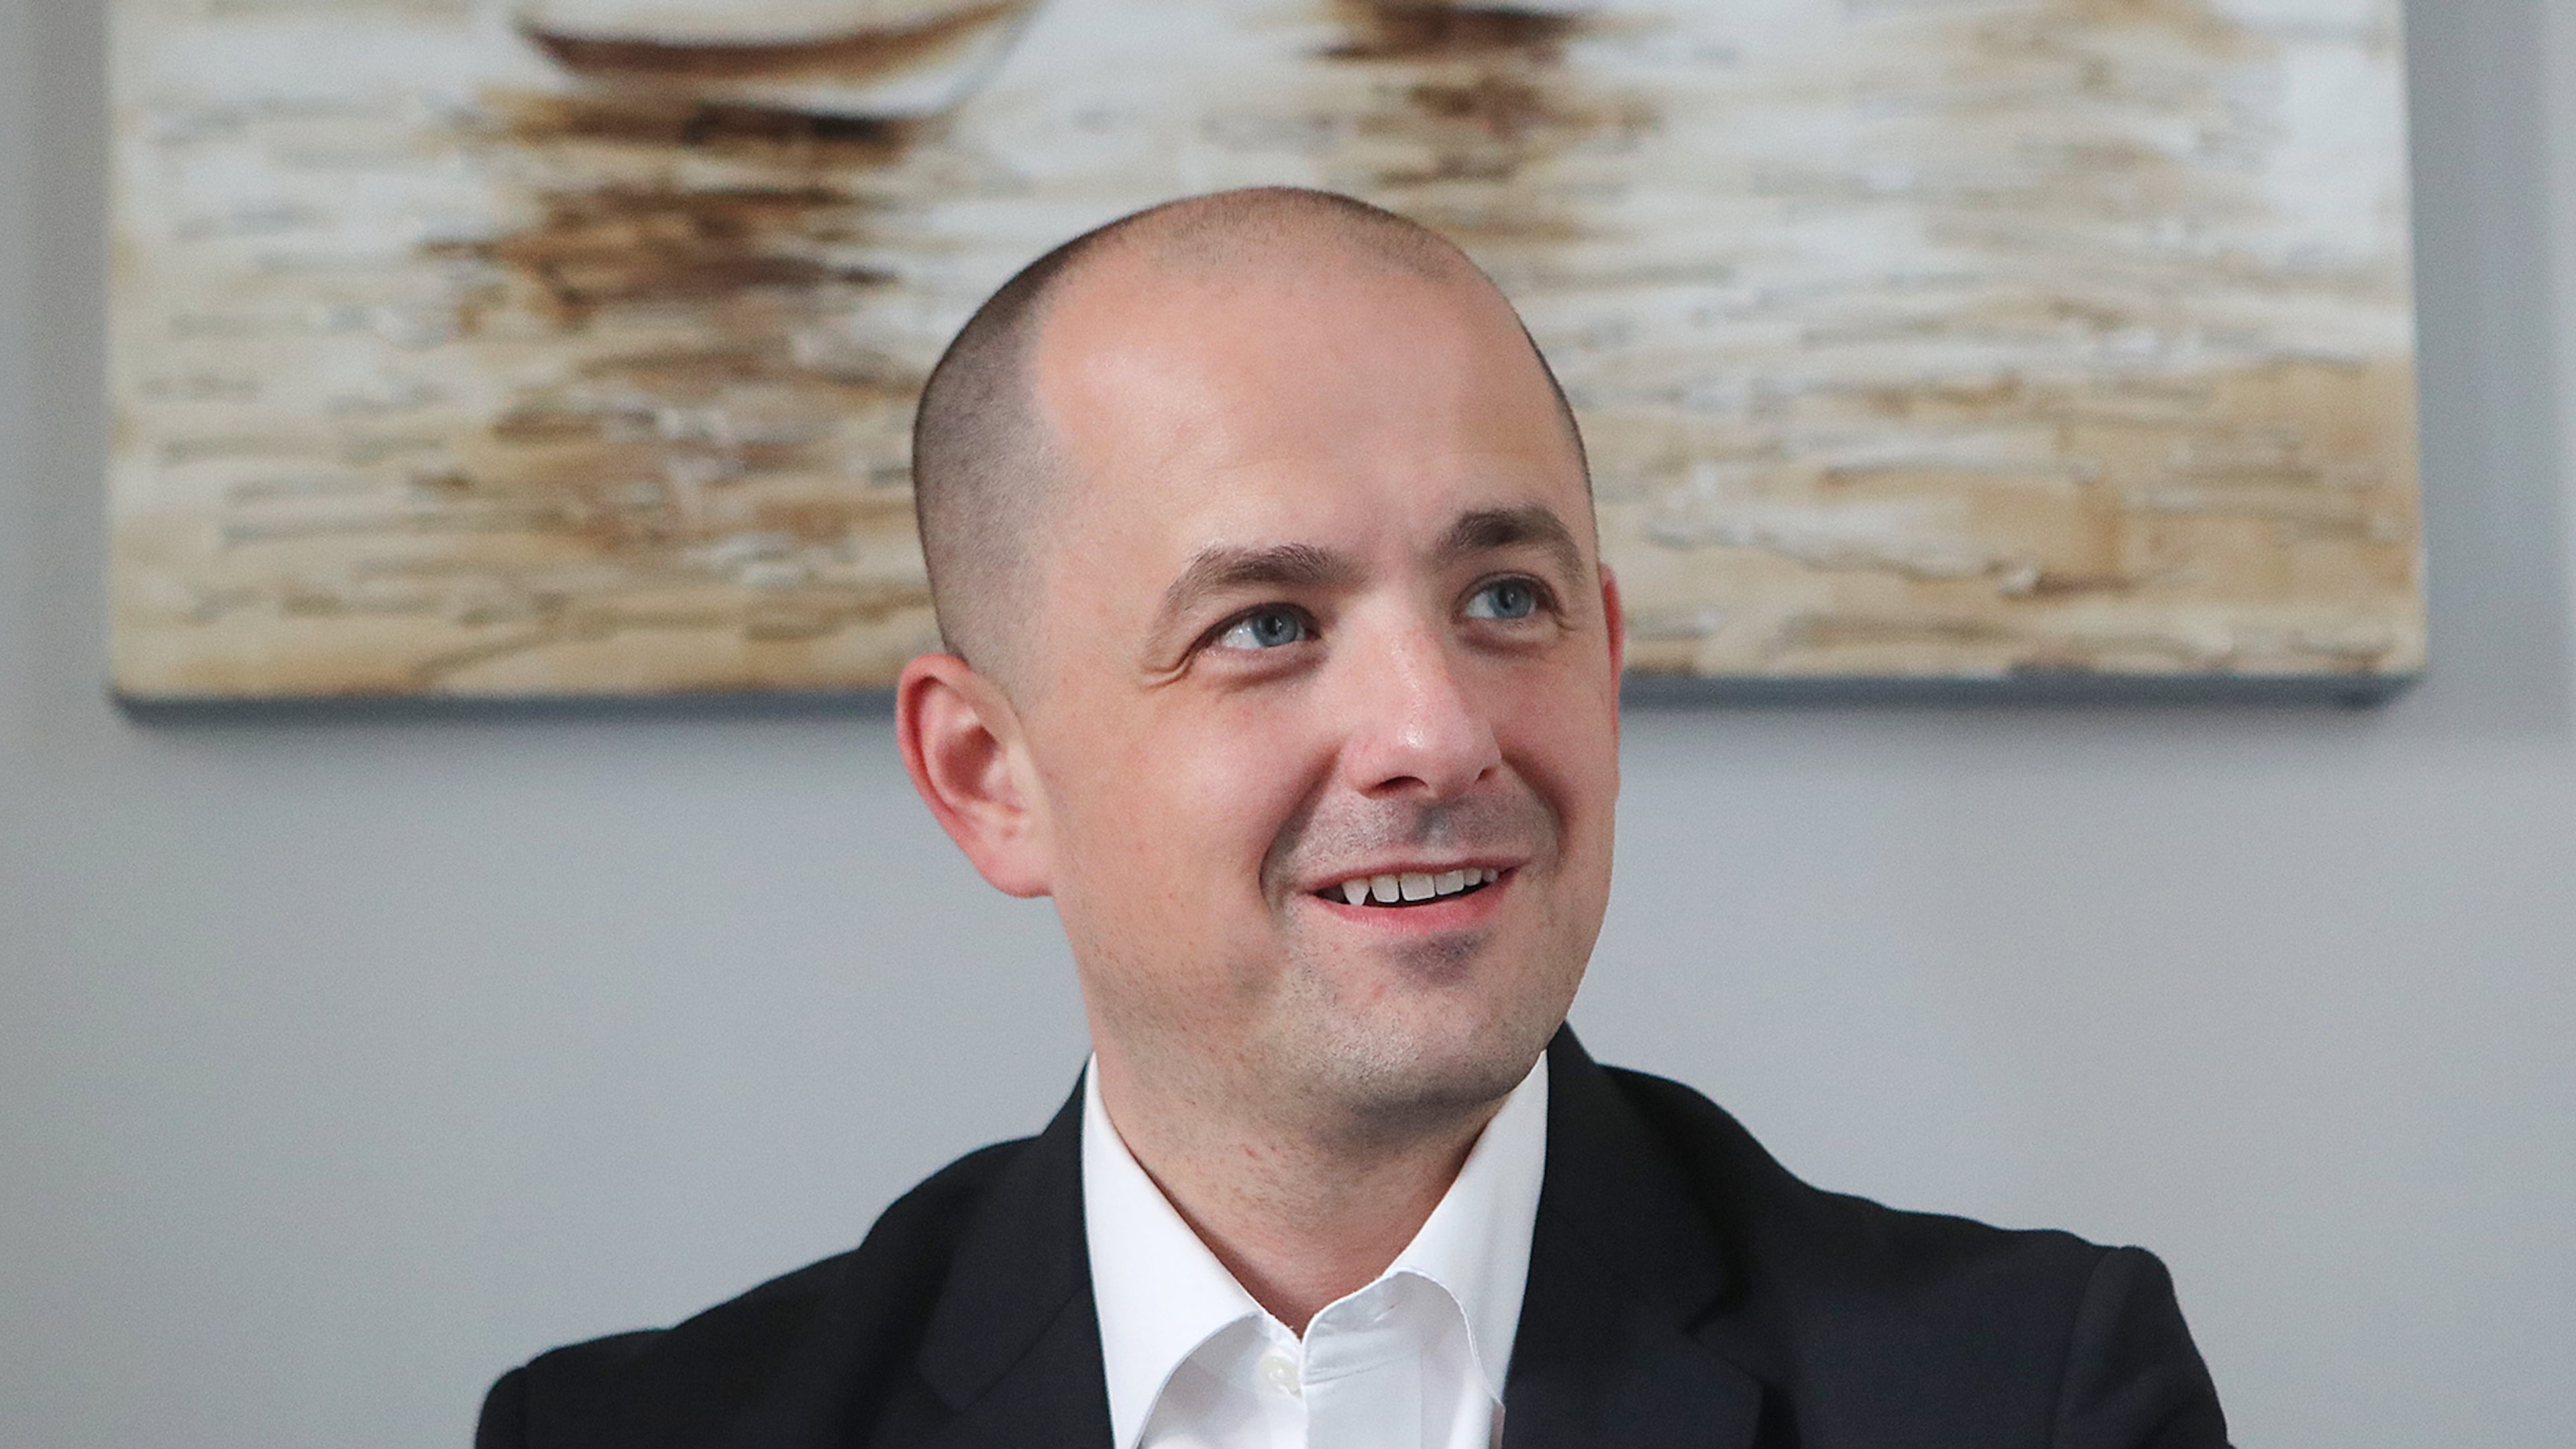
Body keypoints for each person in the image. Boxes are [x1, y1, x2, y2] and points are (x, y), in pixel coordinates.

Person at [476, 187, 2230, 1448]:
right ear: (987, 779)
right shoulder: (632, 1433)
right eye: (1268, 627)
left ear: (1608, 660)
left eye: (1506, 601)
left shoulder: (2034, 1398)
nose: (1436, 730)